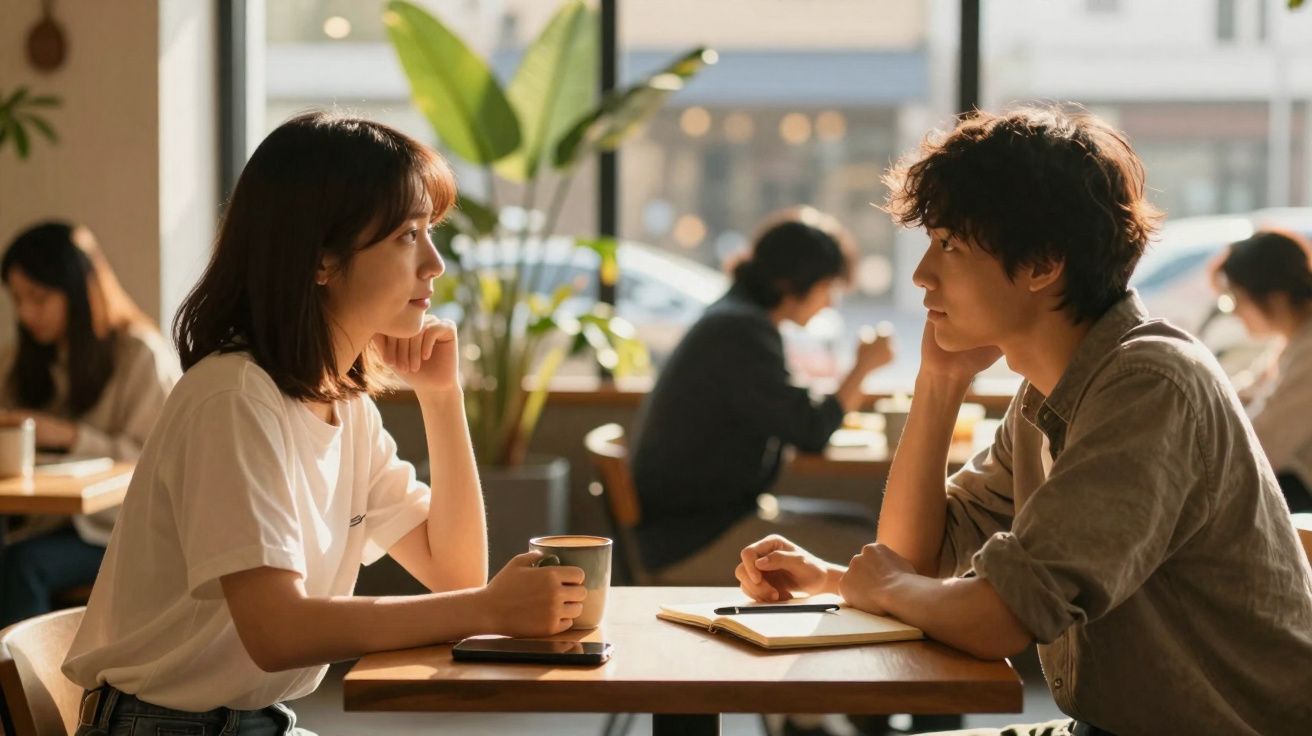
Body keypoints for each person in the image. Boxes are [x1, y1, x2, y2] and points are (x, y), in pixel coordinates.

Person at [734, 107, 1312, 735]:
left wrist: (876, 586)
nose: (922, 273)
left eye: (949, 244)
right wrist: (941, 380)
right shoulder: (1051, 395)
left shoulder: (1148, 384)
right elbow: (916, 557)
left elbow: (999, 617)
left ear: (1043, 264)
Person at [61, 112, 586, 736]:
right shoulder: (233, 399)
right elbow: (278, 632)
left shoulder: (345, 406)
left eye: (430, 232)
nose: (435, 264)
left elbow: (455, 570)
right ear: (320, 260)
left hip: (252, 721)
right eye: (407, 235)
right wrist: (484, 609)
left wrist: (441, 399)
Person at [631, 206, 895, 586]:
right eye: (827, 287)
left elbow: (795, 416)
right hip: (692, 539)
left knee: (862, 524)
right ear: (792, 283)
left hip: (697, 524)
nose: (830, 302)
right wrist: (863, 367)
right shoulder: (739, 332)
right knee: (871, 553)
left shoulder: (736, 320)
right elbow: (810, 429)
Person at [0, 221, 180, 627]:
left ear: (78, 291)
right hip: (42, 524)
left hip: (117, 533)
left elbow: (154, 461)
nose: (27, 314)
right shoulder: (19, 362)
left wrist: (66, 435)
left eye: (39, 297)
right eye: (18, 300)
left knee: (21, 565)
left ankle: (28, 691)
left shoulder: (138, 356)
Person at [1211, 229, 1312, 512]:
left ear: (1275, 297)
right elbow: (1241, 394)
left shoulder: (1308, 351)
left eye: (1233, 298)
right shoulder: (1292, 339)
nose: (1232, 312)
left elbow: (1261, 444)